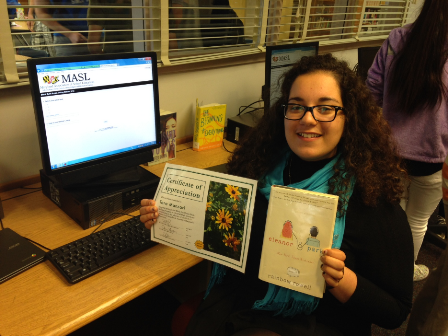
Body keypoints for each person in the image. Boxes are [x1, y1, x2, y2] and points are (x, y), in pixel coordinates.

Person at [140, 54, 414, 335]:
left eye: (325, 108)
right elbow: (218, 233)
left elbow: (396, 311)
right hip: (241, 307)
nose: (308, 119)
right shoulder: (257, 169)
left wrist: (342, 280)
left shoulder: (371, 198)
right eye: (297, 107)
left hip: (316, 323)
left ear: (349, 116)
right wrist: (167, 215)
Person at [366, 0, 448, 282]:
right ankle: (404, 274)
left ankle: (381, 272)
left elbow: (372, 89)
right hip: (435, 158)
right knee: (418, 221)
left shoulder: (397, 38)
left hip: (392, 152)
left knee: (391, 218)